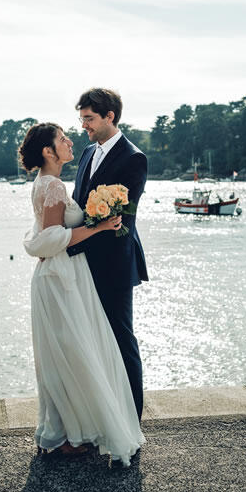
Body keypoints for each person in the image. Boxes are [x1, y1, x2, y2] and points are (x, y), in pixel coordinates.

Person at [20, 122, 145, 467]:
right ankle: (67, 436)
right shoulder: (53, 186)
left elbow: (48, 235)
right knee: (69, 355)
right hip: (60, 277)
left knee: (65, 355)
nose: (70, 140)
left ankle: (64, 433)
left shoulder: (48, 184)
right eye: (62, 139)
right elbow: (52, 239)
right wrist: (99, 226)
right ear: (48, 151)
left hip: (63, 275)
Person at [67, 88, 148, 421]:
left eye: (89, 118)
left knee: (120, 338)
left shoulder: (133, 158)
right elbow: (78, 201)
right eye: (82, 118)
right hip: (83, 262)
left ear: (109, 117)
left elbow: (121, 221)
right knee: (93, 340)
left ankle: (132, 417)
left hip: (114, 264)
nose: (84, 125)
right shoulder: (87, 153)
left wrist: (69, 242)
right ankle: (104, 412)